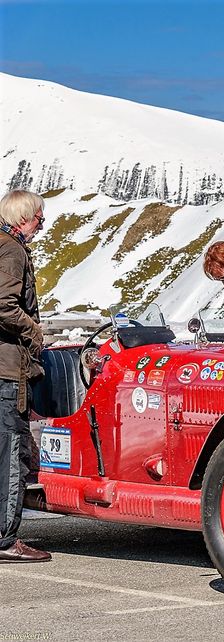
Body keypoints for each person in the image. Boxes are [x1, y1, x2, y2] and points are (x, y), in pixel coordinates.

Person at [0, 189, 49, 562]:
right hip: (8, 368)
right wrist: (33, 331)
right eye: (38, 218)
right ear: (23, 218)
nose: (41, 224)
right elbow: (4, 304)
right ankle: (6, 540)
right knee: (12, 452)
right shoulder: (12, 250)